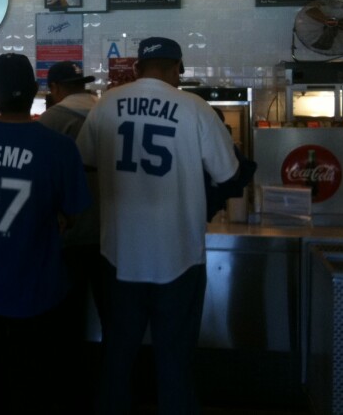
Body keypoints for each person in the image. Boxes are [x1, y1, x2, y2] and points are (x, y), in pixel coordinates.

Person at [77, 37, 240, 414]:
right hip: (179, 257)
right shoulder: (195, 107)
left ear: (137, 69)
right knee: (176, 364)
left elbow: (84, 160)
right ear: (176, 68)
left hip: (118, 255)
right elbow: (226, 173)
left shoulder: (106, 105)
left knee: (116, 361)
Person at [0, 53, 91, 415]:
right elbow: (74, 212)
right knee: (33, 394)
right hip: (39, 293)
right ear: (38, 91)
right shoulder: (60, 148)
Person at [38, 60, 102, 410]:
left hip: (68, 238)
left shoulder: (51, 121)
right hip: (114, 236)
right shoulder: (109, 113)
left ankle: (66, 396)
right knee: (112, 320)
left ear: (57, 89)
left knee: (66, 322)